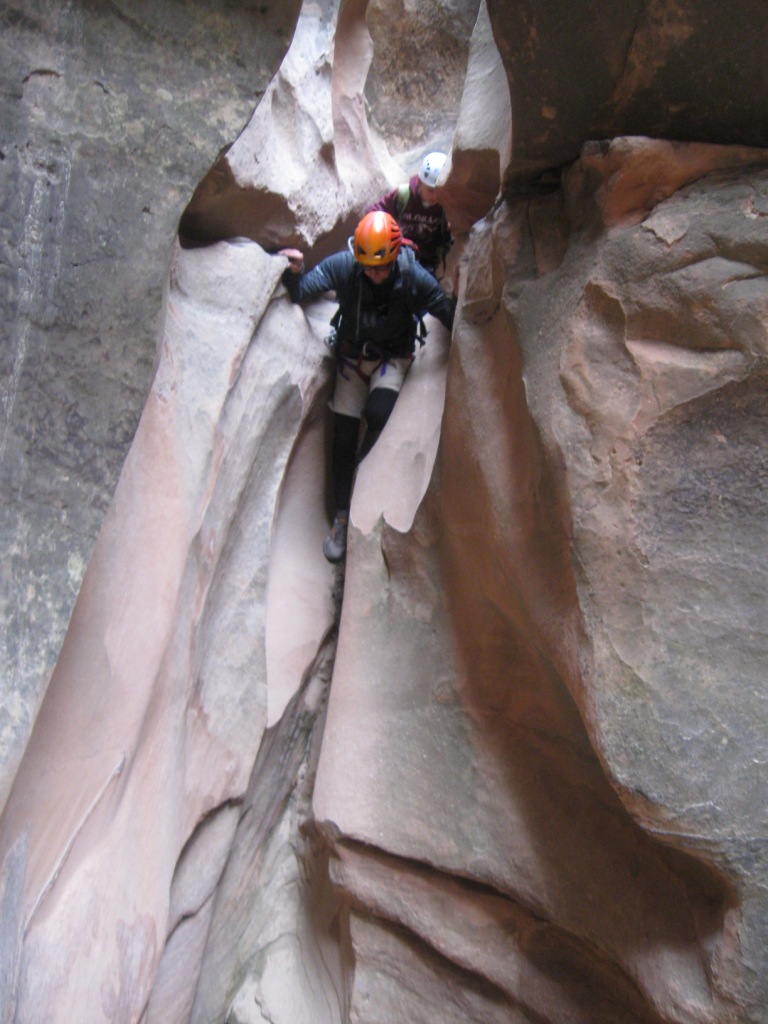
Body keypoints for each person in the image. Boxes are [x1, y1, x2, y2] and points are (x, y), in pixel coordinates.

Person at [280, 210, 455, 563]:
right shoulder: (346, 266)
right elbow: (302, 291)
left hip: (392, 358)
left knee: (377, 414)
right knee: (343, 438)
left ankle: (367, 472)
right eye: (369, 267)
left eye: (381, 267)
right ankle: (342, 516)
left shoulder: (411, 275)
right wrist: (294, 271)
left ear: (394, 257)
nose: (375, 274)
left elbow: (444, 310)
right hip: (352, 359)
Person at [367, 152, 452, 277]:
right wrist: (394, 239)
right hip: (398, 253)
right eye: (430, 190)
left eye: (439, 191)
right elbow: (373, 213)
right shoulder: (403, 195)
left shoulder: (444, 205)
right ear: (419, 182)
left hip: (427, 261)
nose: (435, 196)